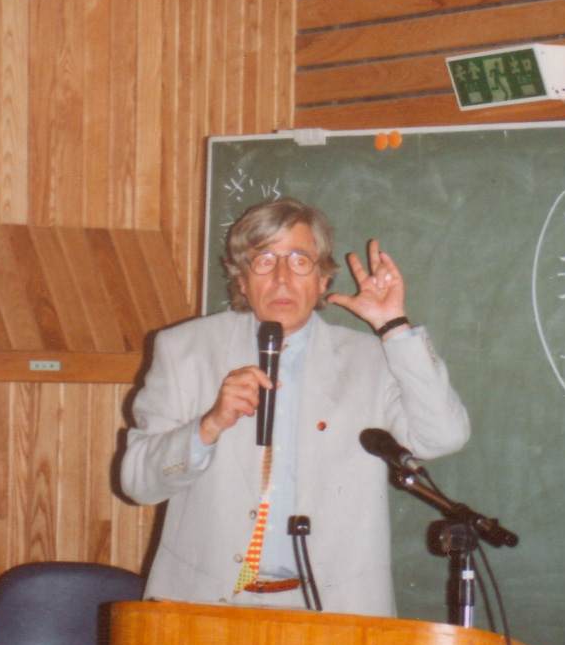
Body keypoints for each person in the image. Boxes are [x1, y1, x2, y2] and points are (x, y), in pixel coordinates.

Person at [120, 198, 469, 617]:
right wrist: (207, 426)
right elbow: (137, 482)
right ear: (242, 279)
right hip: (206, 608)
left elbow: (443, 437)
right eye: (264, 260)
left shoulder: (372, 360)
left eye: (300, 260)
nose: (282, 278)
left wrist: (393, 326)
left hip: (332, 612)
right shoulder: (184, 349)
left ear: (323, 280)